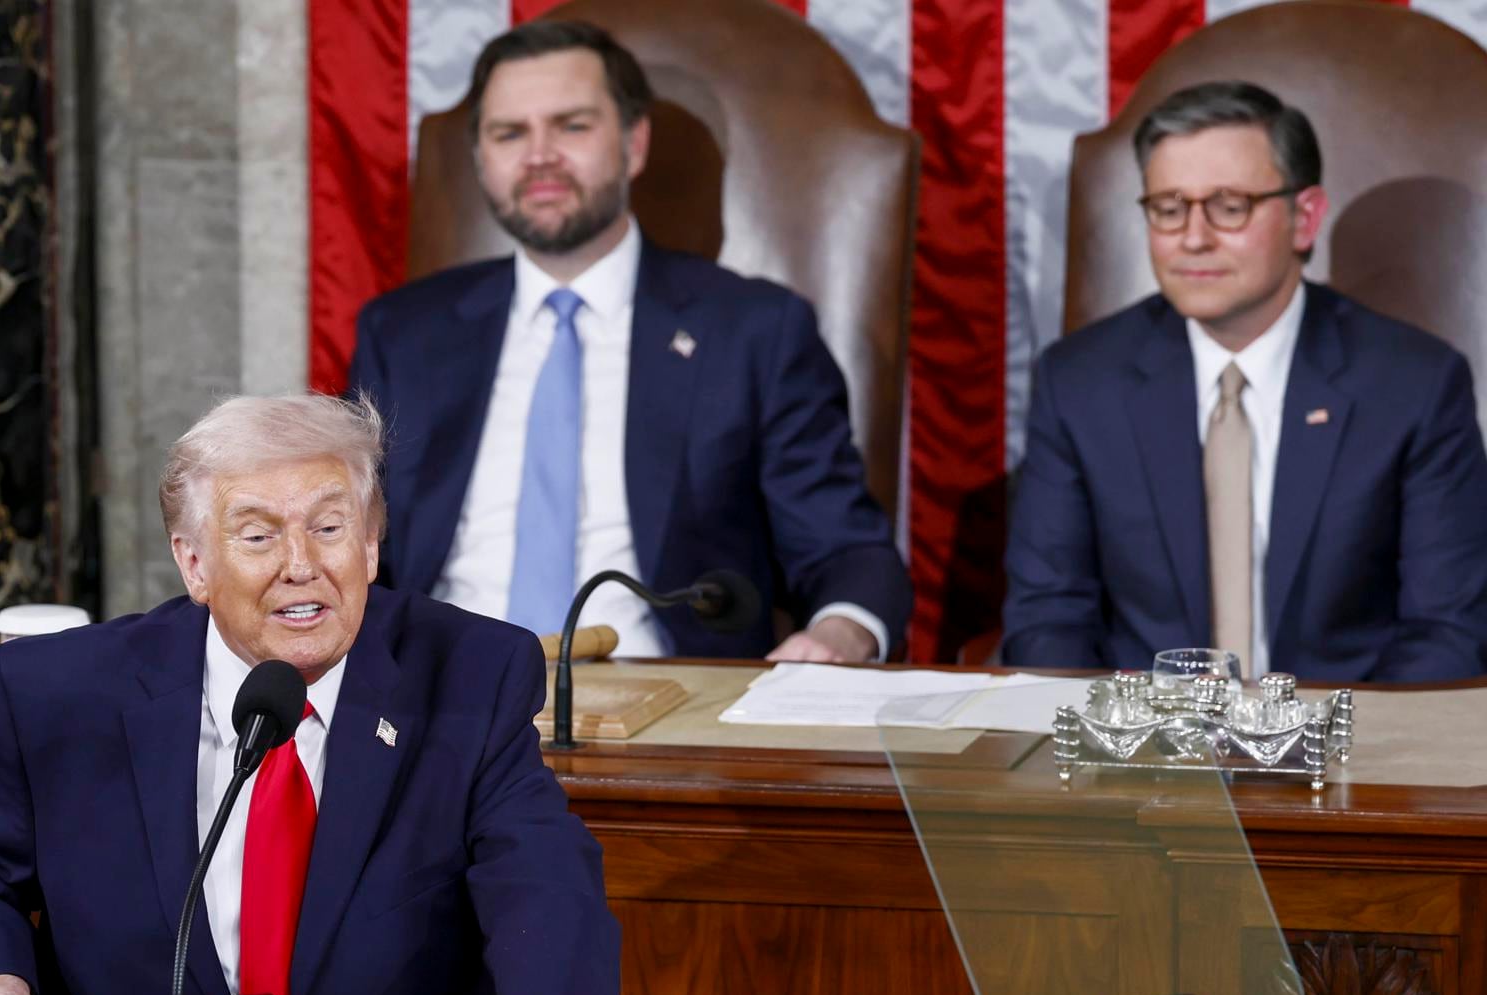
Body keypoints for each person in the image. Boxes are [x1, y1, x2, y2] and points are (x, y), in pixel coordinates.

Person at [0, 395, 631, 995]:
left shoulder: (472, 674)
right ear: (194, 563)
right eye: (258, 535)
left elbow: (536, 859)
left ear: (370, 546)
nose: (301, 566)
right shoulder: (59, 693)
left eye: (330, 528)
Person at [348, 20, 910, 663]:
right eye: (510, 133)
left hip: (668, 709)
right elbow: (343, 538)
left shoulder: (753, 331)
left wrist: (837, 635)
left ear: (634, 144)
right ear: (482, 159)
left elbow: (844, 548)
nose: (540, 155)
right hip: (438, 698)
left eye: (572, 126)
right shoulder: (405, 334)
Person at [1002, 80, 1487, 681]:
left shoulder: (1415, 385)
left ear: (1304, 218)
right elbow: (1048, 621)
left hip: (1345, 753)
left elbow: (1447, 631)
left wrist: (1331, 754)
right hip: (1147, 757)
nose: (1195, 237)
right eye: (1169, 208)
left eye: (1229, 206)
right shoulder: (1079, 383)